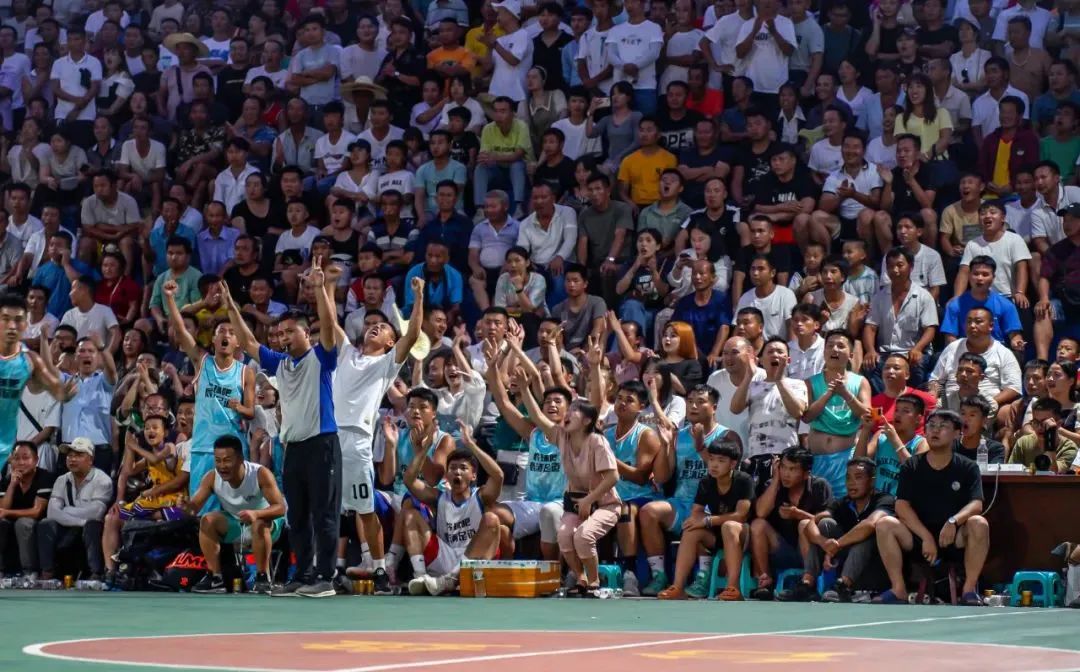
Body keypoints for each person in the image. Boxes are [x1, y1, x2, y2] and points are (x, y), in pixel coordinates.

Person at [224, 264, 340, 598]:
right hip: (292, 448)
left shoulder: (321, 358)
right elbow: (247, 342)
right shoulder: (280, 363)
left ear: (307, 334)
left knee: (325, 515)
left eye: (291, 332)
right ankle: (303, 575)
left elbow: (330, 329)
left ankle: (325, 578)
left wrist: (320, 289)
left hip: (322, 444)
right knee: (298, 516)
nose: (285, 337)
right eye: (282, 333)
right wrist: (231, 306)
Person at [321, 252, 424, 594]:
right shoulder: (348, 352)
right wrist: (326, 286)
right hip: (328, 435)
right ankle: (327, 570)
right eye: (371, 325)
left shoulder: (386, 367)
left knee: (364, 509)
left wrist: (419, 298)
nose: (374, 327)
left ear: (390, 343)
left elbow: (412, 336)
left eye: (382, 328)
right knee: (329, 508)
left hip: (357, 443)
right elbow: (329, 323)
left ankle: (379, 570)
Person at [873, 410, 989, 606]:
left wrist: (954, 521)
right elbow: (901, 506)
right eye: (931, 426)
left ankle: (968, 590)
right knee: (884, 524)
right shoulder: (912, 465)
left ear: (956, 434)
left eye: (943, 426)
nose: (935, 430)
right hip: (918, 536)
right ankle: (898, 589)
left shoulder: (967, 467)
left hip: (953, 536)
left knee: (979, 523)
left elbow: (976, 503)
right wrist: (925, 536)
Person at [162, 277, 254, 513]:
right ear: (213, 339)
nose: (225, 334)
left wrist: (240, 408)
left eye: (231, 332)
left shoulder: (245, 372)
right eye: (220, 331)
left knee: (234, 511)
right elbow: (181, 329)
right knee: (202, 511)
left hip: (233, 447)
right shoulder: (202, 362)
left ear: (237, 343)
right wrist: (171, 298)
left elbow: (251, 412)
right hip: (203, 448)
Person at [637, 385, 735, 595]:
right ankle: (659, 575)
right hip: (681, 502)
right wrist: (665, 447)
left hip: (712, 506)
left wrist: (700, 446)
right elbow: (662, 477)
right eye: (690, 401)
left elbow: (723, 475)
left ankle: (703, 577)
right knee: (648, 512)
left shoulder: (727, 436)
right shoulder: (677, 435)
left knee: (695, 520)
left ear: (714, 407)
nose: (693, 406)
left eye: (700, 402)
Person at [401, 420, 504, 596]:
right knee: (411, 515)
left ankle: (451, 580)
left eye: (463, 468)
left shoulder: (481, 496)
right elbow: (409, 481)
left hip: (474, 559)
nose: (457, 472)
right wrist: (424, 448)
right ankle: (420, 577)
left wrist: (471, 445)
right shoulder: (438, 497)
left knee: (492, 520)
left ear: (473, 476)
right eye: (453, 468)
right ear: (446, 475)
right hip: (445, 557)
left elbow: (498, 475)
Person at [781, 457, 894, 603]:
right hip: (846, 559)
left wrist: (837, 544)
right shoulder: (843, 502)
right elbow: (811, 522)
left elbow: (869, 525)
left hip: (875, 565)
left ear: (872, 481)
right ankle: (807, 584)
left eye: (858, 477)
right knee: (824, 524)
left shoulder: (884, 500)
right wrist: (825, 543)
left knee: (865, 537)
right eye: (848, 478)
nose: (851, 483)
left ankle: (842, 586)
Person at [657, 433, 752, 601]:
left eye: (721, 461)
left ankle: (733, 588)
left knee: (729, 526)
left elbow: (741, 516)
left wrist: (707, 520)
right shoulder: (706, 482)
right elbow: (696, 512)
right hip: (716, 535)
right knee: (691, 529)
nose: (714, 465)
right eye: (712, 459)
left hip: (742, 534)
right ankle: (678, 587)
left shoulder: (743, 480)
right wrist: (697, 520)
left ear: (733, 463)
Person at [188, 434, 287, 594]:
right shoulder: (211, 477)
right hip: (236, 524)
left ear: (241, 458)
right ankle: (216, 578)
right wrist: (185, 506)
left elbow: (280, 508)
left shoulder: (260, 474)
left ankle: (262, 578)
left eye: (227, 460)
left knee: (259, 523)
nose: (222, 466)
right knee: (207, 520)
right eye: (218, 460)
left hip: (267, 525)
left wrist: (256, 514)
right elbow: (194, 508)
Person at [0, 294, 76, 469]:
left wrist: (61, 393)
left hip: (23, 450)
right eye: (6, 319)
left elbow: (50, 378)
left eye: (18, 320)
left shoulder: (28, 360)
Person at [749, 446, 834, 600]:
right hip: (783, 550)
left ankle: (808, 585)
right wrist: (775, 481)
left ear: (806, 473)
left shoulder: (819, 485)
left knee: (805, 524)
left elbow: (828, 518)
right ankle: (765, 583)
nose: (786, 474)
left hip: (813, 553)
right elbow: (760, 512)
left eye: (793, 469)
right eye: (783, 467)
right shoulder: (774, 485)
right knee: (758, 525)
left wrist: (798, 514)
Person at [804, 330, 872, 497]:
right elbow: (807, 416)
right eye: (830, 346)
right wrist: (828, 394)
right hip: (817, 459)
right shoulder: (811, 382)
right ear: (824, 351)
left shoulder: (860, 382)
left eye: (841, 346)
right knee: (817, 506)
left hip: (845, 460)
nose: (834, 349)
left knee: (843, 507)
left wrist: (846, 394)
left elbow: (867, 415)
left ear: (850, 354)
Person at [38, 438, 112, 581]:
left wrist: (66, 510)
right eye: (70, 455)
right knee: (46, 524)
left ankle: (95, 573)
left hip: (91, 528)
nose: (72, 459)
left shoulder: (103, 480)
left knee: (92, 525)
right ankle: (47, 572)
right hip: (72, 526)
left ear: (90, 459)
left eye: (78, 455)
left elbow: (96, 513)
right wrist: (79, 521)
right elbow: (52, 512)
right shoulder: (61, 479)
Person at [0, 441, 53, 575]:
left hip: (38, 522)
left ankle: (29, 571)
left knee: (23, 523)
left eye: (26, 458)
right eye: (16, 458)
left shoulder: (45, 477)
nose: (21, 462)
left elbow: (36, 511)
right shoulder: (8, 480)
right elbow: (2, 509)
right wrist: (12, 485)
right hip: (12, 521)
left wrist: (7, 512)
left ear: (36, 460)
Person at [1008, 398, 1078, 473]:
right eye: (1035, 422)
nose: (1039, 427)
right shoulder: (1023, 442)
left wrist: (1050, 439)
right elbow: (1010, 472)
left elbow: (1053, 474)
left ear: (1058, 424)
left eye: (1045, 423)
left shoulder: (1069, 447)